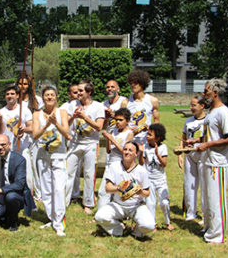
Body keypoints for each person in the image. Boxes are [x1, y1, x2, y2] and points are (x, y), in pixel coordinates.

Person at [197, 77, 228, 245]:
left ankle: (217, 235)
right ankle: (208, 227)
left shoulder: (224, 112)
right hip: (207, 160)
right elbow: (209, 135)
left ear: (215, 92)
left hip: (218, 162)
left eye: (206, 91)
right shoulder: (211, 112)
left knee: (216, 199)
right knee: (206, 198)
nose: (204, 94)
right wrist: (197, 141)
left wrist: (208, 144)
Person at [30, 82, 70, 236]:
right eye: (47, 95)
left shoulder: (62, 112)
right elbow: (34, 135)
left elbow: (66, 133)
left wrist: (55, 124)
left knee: (59, 188)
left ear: (56, 97)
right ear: (43, 98)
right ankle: (52, 218)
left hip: (59, 155)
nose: (49, 97)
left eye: (52, 95)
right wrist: (47, 124)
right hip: (43, 154)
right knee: (46, 189)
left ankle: (59, 222)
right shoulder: (36, 114)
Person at [95, 140, 153, 239]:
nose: (127, 152)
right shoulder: (114, 166)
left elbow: (147, 193)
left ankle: (137, 231)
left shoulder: (141, 171)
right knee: (99, 217)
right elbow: (108, 188)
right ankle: (119, 228)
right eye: (125, 149)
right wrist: (118, 188)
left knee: (149, 225)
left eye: (130, 150)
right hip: (118, 204)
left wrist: (140, 192)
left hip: (136, 206)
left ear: (136, 154)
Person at [65, 79, 104, 211]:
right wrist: (73, 116)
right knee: (69, 172)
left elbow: (99, 127)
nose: (78, 93)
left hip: (91, 143)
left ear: (89, 92)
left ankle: (88, 202)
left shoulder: (98, 106)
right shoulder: (73, 104)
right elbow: (67, 123)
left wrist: (84, 116)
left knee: (89, 173)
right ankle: (66, 200)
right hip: (75, 143)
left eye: (81, 91)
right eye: (78, 91)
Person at [0, 132, 29, 230]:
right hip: (0, 197)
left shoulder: (20, 160)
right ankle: (5, 215)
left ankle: (13, 221)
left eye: (3, 145)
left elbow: (19, 184)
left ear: (9, 145)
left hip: (16, 195)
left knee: (10, 197)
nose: (0, 147)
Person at [179, 93, 206, 221]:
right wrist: (180, 152)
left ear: (202, 106)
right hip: (189, 156)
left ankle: (206, 214)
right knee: (190, 184)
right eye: (190, 105)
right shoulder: (188, 121)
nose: (191, 108)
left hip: (203, 155)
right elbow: (183, 138)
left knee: (205, 185)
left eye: (194, 105)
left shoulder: (207, 120)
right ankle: (190, 212)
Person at [144, 123, 171, 229]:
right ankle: (152, 224)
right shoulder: (145, 146)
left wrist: (157, 154)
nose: (147, 136)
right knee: (150, 203)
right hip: (149, 179)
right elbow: (142, 162)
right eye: (147, 134)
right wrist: (141, 154)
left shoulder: (163, 147)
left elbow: (164, 164)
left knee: (164, 202)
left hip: (160, 180)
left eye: (150, 135)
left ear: (158, 138)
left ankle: (167, 222)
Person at [126, 67, 159, 144]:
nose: (133, 85)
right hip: (130, 138)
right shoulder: (126, 102)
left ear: (142, 84)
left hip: (145, 139)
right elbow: (122, 121)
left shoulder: (153, 101)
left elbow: (156, 121)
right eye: (131, 83)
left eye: (136, 83)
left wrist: (150, 129)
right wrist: (128, 128)